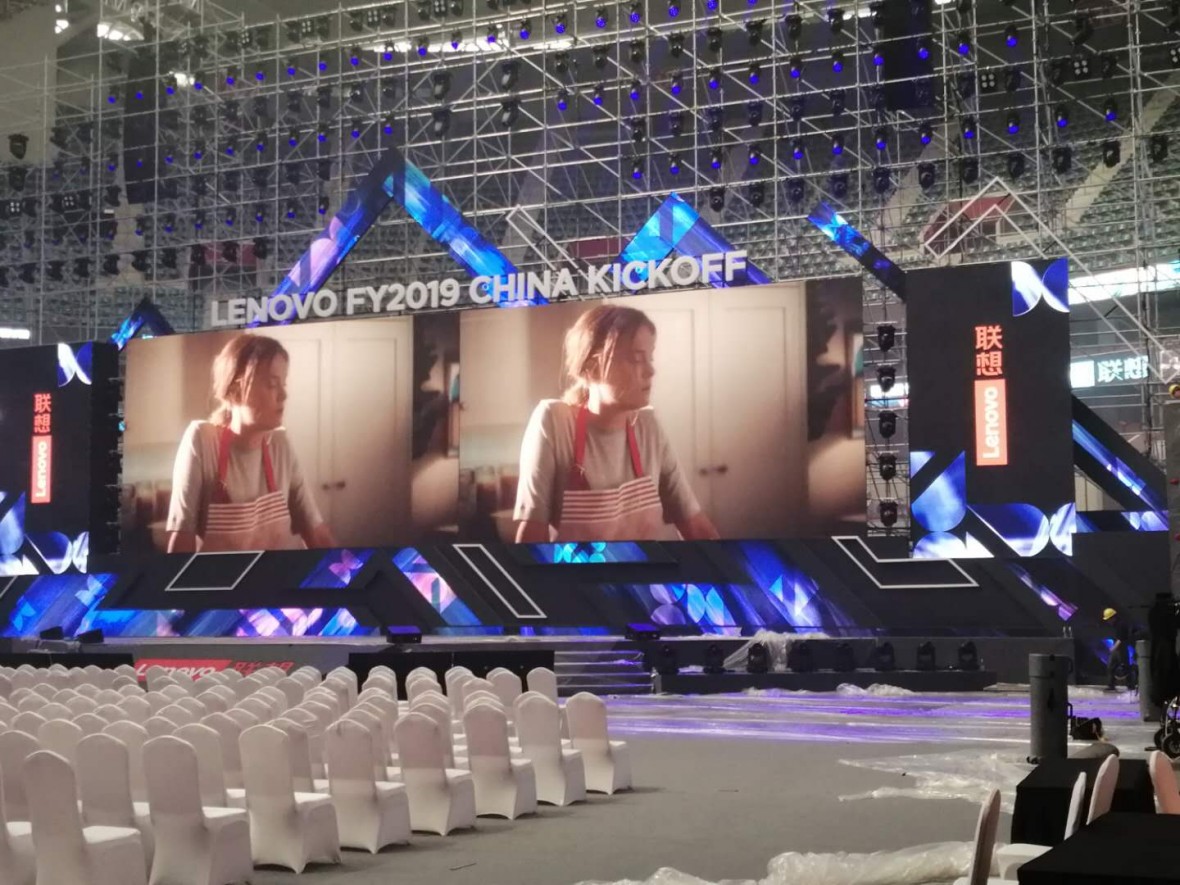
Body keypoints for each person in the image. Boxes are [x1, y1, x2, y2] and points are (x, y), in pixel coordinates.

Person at [513, 304, 719, 543]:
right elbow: (532, 534)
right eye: (636, 358)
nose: (651, 370)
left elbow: (695, 526)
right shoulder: (554, 422)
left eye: (650, 357)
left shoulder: (649, 427)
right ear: (592, 367)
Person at [165, 333, 336, 553]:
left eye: (283, 384)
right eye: (272, 384)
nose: (284, 395)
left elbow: (317, 534)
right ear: (235, 390)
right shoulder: (202, 440)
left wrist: (352, 571)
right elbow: (182, 540)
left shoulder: (281, 445)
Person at [1103, 606, 1132, 691]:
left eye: (1108, 619)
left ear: (1113, 618)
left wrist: (1113, 648)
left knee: (1125, 667)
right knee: (1111, 666)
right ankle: (1111, 685)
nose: (1108, 621)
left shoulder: (1121, 625)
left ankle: (1130, 685)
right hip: (1117, 649)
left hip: (1121, 649)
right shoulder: (1117, 625)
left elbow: (1121, 639)